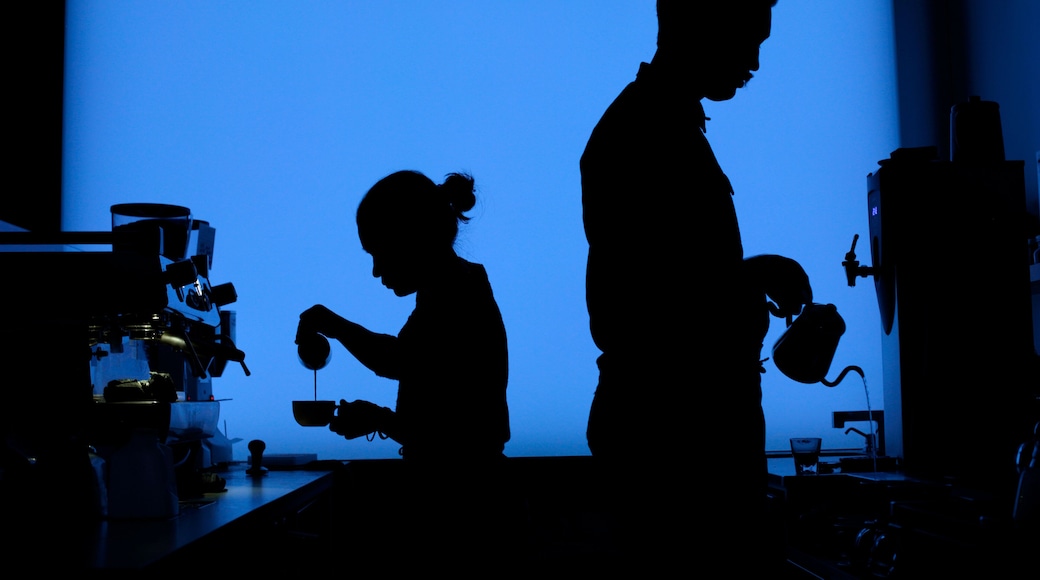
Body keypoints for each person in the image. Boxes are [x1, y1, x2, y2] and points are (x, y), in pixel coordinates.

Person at [581, 0, 811, 571]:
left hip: (679, 435)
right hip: (674, 443)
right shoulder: (642, 133)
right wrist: (748, 276)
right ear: (696, 29)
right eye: (746, 41)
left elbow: (664, 275)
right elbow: (634, 310)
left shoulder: (663, 126)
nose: (755, 62)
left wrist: (742, 277)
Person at [296, 170, 510, 462]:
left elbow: (399, 361)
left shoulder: (456, 294)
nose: (376, 270)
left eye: (379, 252)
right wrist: (378, 418)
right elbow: (441, 422)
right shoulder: (457, 288)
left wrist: (335, 325)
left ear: (411, 239)